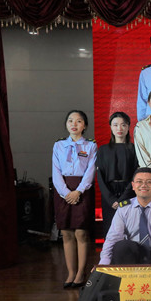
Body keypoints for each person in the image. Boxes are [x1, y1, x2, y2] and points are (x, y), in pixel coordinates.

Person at [52, 110, 97, 289]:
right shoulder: (59, 145)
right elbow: (56, 172)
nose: (74, 124)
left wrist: (78, 191)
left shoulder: (91, 145)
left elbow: (90, 171)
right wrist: (65, 193)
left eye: (79, 121)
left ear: (85, 125)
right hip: (63, 191)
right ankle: (71, 272)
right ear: (66, 124)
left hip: (82, 190)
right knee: (66, 233)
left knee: (81, 232)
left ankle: (81, 272)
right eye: (70, 121)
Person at [98, 168, 151, 266]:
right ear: (133, 186)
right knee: (121, 247)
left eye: (149, 182)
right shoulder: (124, 208)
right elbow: (113, 237)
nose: (144, 185)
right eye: (139, 181)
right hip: (133, 254)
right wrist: (103, 264)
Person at [97, 111, 136, 234]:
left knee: (129, 230)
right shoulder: (103, 150)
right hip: (109, 193)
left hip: (129, 192)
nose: (119, 128)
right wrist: (111, 199)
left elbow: (136, 175)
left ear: (128, 127)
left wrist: (123, 198)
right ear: (110, 127)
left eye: (123, 125)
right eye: (115, 125)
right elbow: (100, 176)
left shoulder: (134, 149)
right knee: (110, 231)